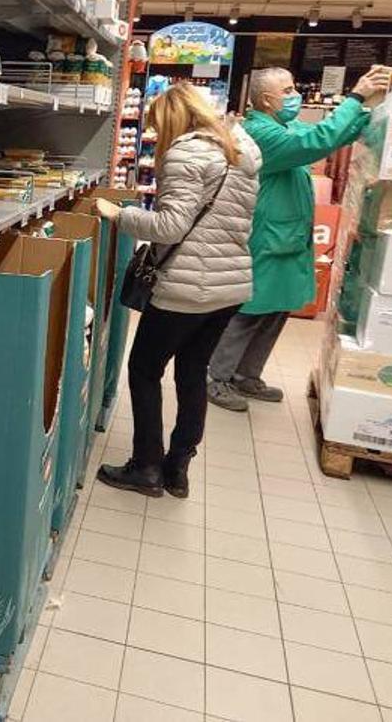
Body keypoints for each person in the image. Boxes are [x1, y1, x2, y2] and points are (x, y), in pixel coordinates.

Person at [93, 83, 262, 498]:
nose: (154, 136)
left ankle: (146, 467)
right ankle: (178, 467)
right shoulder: (241, 153)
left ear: (173, 118)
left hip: (187, 288)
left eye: (156, 127)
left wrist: (119, 214)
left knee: (145, 370)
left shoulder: (187, 152)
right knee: (192, 374)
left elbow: (171, 227)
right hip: (230, 285)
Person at [207, 65, 392, 412]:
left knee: (276, 311)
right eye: (288, 90)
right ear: (266, 100)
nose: (295, 96)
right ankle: (216, 378)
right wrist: (354, 97)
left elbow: (333, 135)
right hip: (267, 238)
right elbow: (317, 141)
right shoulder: (260, 134)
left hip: (288, 237)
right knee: (249, 312)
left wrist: (373, 113)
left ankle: (247, 375)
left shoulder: (285, 125)